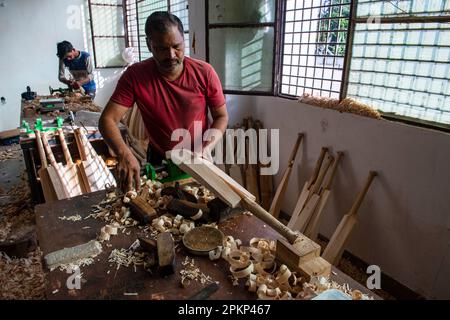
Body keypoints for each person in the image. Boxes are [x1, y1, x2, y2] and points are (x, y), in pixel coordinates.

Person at [99, 11, 229, 192]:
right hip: (160, 160)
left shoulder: (204, 72)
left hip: (199, 157)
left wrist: (205, 148)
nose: (171, 55)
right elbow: (107, 120)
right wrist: (123, 153)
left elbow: (221, 116)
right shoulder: (135, 76)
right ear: (149, 45)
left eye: (177, 46)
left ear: (184, 40)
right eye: (161, 48)